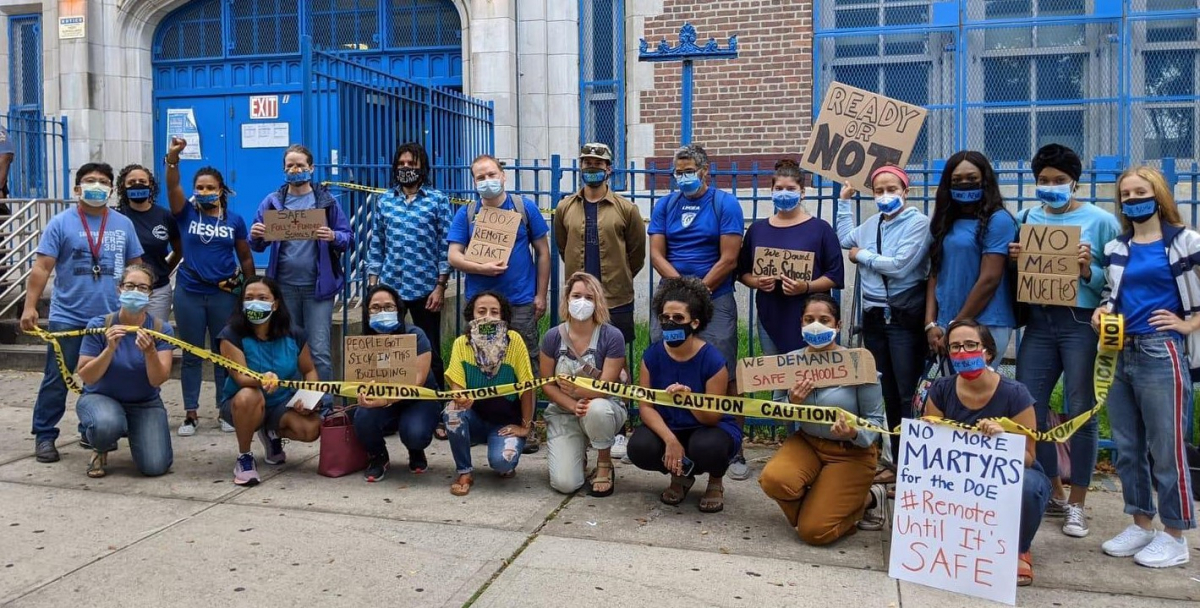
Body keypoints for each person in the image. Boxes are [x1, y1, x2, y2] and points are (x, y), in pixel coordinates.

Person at [1008, 144, 1120, 538]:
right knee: (1030, 410)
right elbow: (1018, 272)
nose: (1050, 187)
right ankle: (1054, 488)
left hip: (1080, 323)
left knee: (1081, 410)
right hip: (1039, 322)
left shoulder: (1102, 220)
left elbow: (1117, 276)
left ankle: (1078, 503)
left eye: (1059, 181)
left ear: (1076, 182)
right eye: (1043, 181)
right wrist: (1015, 257)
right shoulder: (1026, 217)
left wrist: (1088, 269)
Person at [1091, 166, 1197, 568]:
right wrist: (1102, 312)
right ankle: (1140, 522)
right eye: (1126, 195)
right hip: (1119, 350)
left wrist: (1187, 323)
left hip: (1160, 352)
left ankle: (1176, 533)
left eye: (1141, 191)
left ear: (1159, 194)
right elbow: (1110, 292)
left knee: (1165, 448)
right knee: (1128, 447)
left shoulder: (1186, 242)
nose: (1133, 200)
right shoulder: (1118, 247)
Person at [21, 162, 144, 463]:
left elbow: (137, 267)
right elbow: (41, 267)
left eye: (103, 181)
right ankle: (45, 435)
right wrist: (29, 306)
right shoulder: (61, 223)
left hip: (111, 317)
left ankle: (93, 430)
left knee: (103, 376)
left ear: (112, 190)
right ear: (77, 188)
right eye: (90, 180)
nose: (97, 186)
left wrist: (138, 308)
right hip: (69, 316)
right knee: (57, 377)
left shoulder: (123, 224)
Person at [923, 320, 1049, 586]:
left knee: (1028, 487)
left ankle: (1019, 547)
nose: (963, 352)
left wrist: (1002, 438)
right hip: (957, 473)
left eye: (971, 345)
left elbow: (1028, 457)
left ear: (988, 352)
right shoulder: (942, 388)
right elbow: (928, 450)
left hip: (1011, 473)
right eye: (955, 347)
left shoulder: (1016, 394)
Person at [758, 294, 888, 544]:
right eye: (809, 320)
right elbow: (775, 408)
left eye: (824, 320)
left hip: (851, 452)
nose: (815, 325)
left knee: (814, 532)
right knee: (774, 480)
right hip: (807, 443)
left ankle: (869, 498)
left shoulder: (858, 363)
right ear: (801, 324)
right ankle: (824, 501)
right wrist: (792, 403)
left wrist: (853, 433)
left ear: (837, 326)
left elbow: (875, 420)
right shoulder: (790, 361)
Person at [649, 144, 745, 478]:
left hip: (715, 297)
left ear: (705, 170)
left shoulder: (725, 204)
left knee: (724, 369)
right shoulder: (666, 205)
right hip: (672, 297)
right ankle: (673, 435)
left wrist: (698, 293)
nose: (683, 177)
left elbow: (729, 257)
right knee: (665, 357)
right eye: (678, 171)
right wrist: (680, 291)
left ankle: (734, 446)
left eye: (688, 170)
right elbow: (657, 253)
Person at [836, 164, 931, 467]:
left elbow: (900, 265)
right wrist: (844, 202)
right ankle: (892, 459)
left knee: (906, 392)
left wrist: (861, 256)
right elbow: (845, 238)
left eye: (892, 189)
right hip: (875, 317)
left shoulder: (918, 223)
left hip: (903, 318)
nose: (885, 196)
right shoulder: (873, 223)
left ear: (906, 191)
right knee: (884, 390)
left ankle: (911, 464)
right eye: (879, 191)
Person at [249, 144, 353, 406]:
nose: (295, 170)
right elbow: (257, 243)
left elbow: (347, 237)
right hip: (283, 288)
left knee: (319, 349)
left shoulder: (326, 202)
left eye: (300, 165)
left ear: (311, 168)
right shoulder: (272, 201)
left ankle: (324, 404)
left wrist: (333, 236)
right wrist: (256, 234)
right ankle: (297, 403)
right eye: (290, 166)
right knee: (290, 348)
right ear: (284, 169)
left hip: (318, 289)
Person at [165, 137, 256, 437]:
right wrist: (173, 158)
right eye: (199, 187)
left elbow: (245, 257)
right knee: (191, 353)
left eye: (210, 187)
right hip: (189, 292)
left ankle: (224, 410)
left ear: (221, 191)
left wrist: (250, 290)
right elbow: (173, 186)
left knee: (222, 352)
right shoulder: (186, 214)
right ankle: (190, 414)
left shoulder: (235, 220)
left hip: (224, 294)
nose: (204, 192)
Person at [627, 276, 741, 513]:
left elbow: (712, 417)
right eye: (665, 318)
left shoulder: (714, 361)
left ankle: (716, 481)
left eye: (678, 318)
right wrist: (670, 440)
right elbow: (646, 407)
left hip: (708, 427)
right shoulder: (652, 356)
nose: (670, 323)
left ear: (695, 323)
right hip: (670, 424)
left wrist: (689, 400)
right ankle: (680, 476)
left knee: (709, 447)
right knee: (640, 447)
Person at [448, 154, 550, 372]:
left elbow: (543, 252)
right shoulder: (466, 214)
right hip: (479, 305)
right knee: (481, 361)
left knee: (525, 362)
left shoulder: (524, 208)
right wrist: (480, 268)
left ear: (503, 177)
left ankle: (525, 405)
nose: (487, 180)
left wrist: (541, 295)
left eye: (492, 174)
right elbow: (454, 255)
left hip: (520, 302)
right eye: (481, 177)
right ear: (474, 182)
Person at [217, 276, 321, 486]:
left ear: (275, 304)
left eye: (262, 297)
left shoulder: (294, 334)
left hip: (280, 403)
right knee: (249, 395)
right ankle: (244, 457)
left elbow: (309, 370)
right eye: (249, 298)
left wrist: (308, 399)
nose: (255, 302)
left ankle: (271, 432)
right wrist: (262, 380)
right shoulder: (231, 335)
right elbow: (240, 376)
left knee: (311, 429)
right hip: (241, 403)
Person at [75, 265, 175, 478]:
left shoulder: (161, 329)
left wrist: (150, 353)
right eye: (130, 286)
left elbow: (158, 379)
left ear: (150, 293)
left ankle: (136, 429)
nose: (135, 292)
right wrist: (109, 349)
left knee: (155, 466)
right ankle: (100, 446)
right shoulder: (100, 325)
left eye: (142, 287)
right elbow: (87, 375)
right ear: (119, 289)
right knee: (107, 423)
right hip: (101, 397)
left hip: (144, 402)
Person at [366, 142, 453, 388]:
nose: (406, 168)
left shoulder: (437, 200)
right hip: (391, 288)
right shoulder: (385, 201)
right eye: (401, 164)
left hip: (425, 288)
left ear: (422, 167)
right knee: (386, 346)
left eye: (411, 164)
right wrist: (374, 285)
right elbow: (378, 243)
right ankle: (387, 396)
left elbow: (444, 245)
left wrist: (440, 286)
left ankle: (435, 402)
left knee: (431, 348)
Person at [739, 159, 844, 355]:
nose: (783, 193)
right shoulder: (756, 230)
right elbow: (743, 272)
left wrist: (805, 287)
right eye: (778, 188)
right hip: (770, 313)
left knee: (811, 375)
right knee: (776, 376)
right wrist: (757, 282)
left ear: (802, 192)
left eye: (790, 188)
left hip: (811, 316)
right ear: (771, 191)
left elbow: (835, 275)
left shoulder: (821, 229)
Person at [539, 272, 628, 496]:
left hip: (602, 406)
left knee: (596, 409)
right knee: (565, 484)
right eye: (576, 295)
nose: (582, 302)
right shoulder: (552, 337)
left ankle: (604, 463)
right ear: (567, 299)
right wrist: (570, 404)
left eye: (589, 297)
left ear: (597, 301)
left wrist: (579, 391)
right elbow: (547, 384)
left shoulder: (612, 336)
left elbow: (607, 386)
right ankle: (577, 451)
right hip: (564, 412)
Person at [925, 151, 1018, 362]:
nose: (964, 183)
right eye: (957, 180)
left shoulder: (999, 220)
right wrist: (930, 323)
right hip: (945, 322)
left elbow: (989, 279)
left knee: (979, 390)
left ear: (985, 181)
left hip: (987, 323)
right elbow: (935, 272)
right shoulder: (944, 221)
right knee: (952, 391)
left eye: (972, 179)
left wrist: (957, 326)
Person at [442, 291, 535, 496]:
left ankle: (503, 455)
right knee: (452, 411)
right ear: (471, 316)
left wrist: (525, 427)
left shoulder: (515, 341)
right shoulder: (461, 343)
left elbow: (527, 387)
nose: (488, 317)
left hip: (505, 424)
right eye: (481, 311)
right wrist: (459, 396)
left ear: (503, 317)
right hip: (474, 418)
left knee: (503, 463)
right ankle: (464, 472)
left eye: (495, 312)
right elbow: (456, 383)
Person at [552, 143, 646, 344]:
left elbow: (637, 253)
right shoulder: (564, 207)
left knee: (618, 362)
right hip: (579, 300)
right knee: (577, 353)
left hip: (616, 299)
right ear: (581, 166)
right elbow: (563, 246)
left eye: (598, 163)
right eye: (587, 163)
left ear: (608, 168)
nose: (592, 168)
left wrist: (621, 275)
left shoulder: (627, 209)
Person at [352, 285, 442, 482]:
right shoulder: (361, 344)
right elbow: (358, 380)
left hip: (418, 401)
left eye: (389, 307)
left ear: (399, 310)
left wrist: (384, 400)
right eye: (375, 307)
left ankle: (416, 450)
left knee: (415, 433)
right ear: (367, 313)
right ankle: (378, 456)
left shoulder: (416, 335)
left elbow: (417, 382)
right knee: (362, 416)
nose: (382, 312)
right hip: (381, 403)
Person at [116, 163, 181, 321]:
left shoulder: (165, 216)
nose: (137, 185)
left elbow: (179, 250)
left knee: (153, 337)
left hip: (157, 291)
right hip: (124, 291)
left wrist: (162, 270)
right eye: (131, 182)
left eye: (142, 181)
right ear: (122, 187)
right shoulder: (116, 217)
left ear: (151, 185)